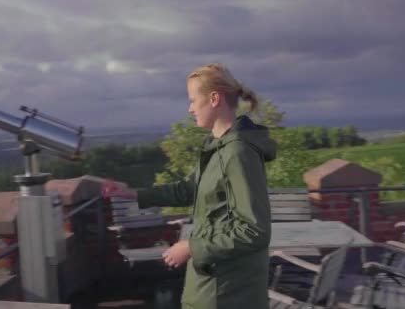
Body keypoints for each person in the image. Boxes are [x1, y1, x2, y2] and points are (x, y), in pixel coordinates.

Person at [101, 63, 277, 308]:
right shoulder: (218, 147)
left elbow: (254, 231)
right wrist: (130, 194)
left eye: (194, 100)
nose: (190, 108)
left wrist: (191, 247)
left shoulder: (237, 152)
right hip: (214, 280)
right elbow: (188, 189)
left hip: (228, 290)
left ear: (214, 98)